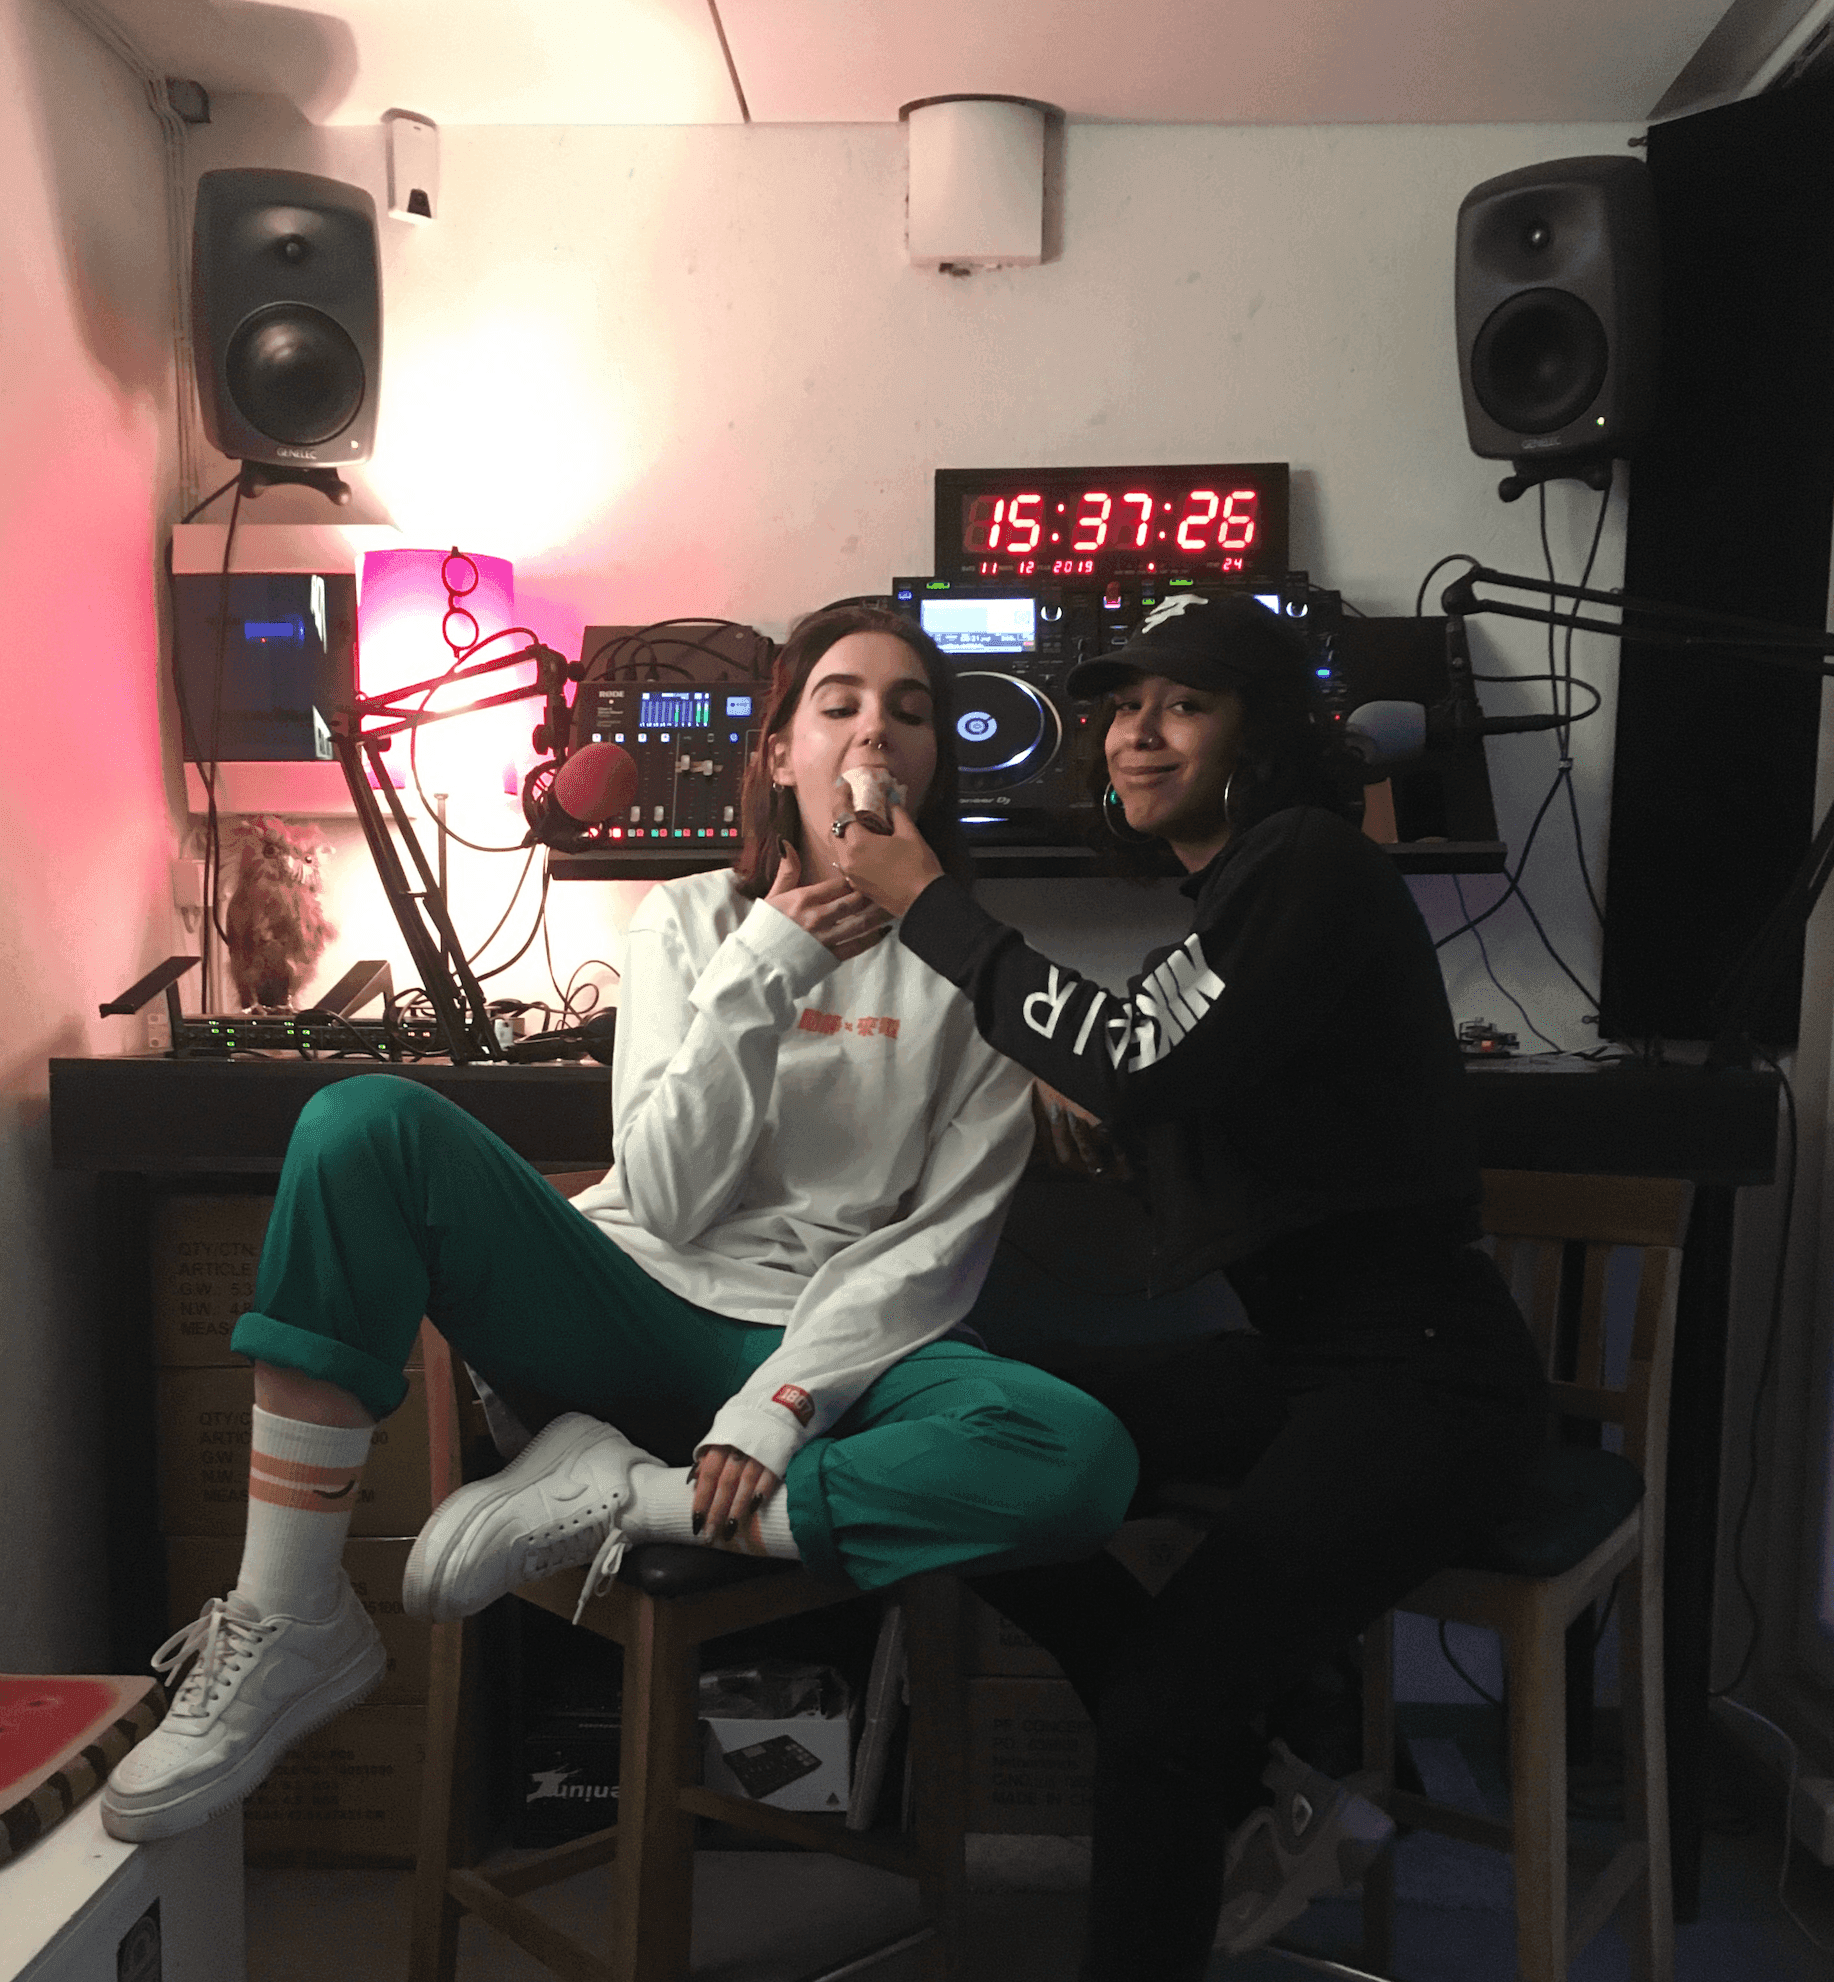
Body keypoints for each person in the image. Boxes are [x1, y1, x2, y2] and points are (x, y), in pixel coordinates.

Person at [102, 604, 1137, 1845]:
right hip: (632, 1307)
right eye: (841, 703)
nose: (876, 730)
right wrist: (769, 964)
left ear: (931, 765)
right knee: (361, 1120)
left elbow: (932, 1252)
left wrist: (782, 1399)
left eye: (908, 712)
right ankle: (290, 1614)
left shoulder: (979, 973)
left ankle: (632, 1494)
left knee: (1075, 1454)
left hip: (821, 1346)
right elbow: (667, 1194)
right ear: (779, 753)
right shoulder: (690, 920)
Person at [837, 592, 1551, 1980]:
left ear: (1262, 735)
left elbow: (1135, 1055)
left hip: (1426, 1380)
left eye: (1183, 703)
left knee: (1160, 1703)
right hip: (1311, 1363)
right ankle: (1262, 1775)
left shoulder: (1305, 861)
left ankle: (1212, 1745)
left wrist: (925, 901)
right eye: (1121, 705)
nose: (1135, 733)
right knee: (978, 1449)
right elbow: (1174, 1076)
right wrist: (1107, 1122)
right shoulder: (1232, 907)